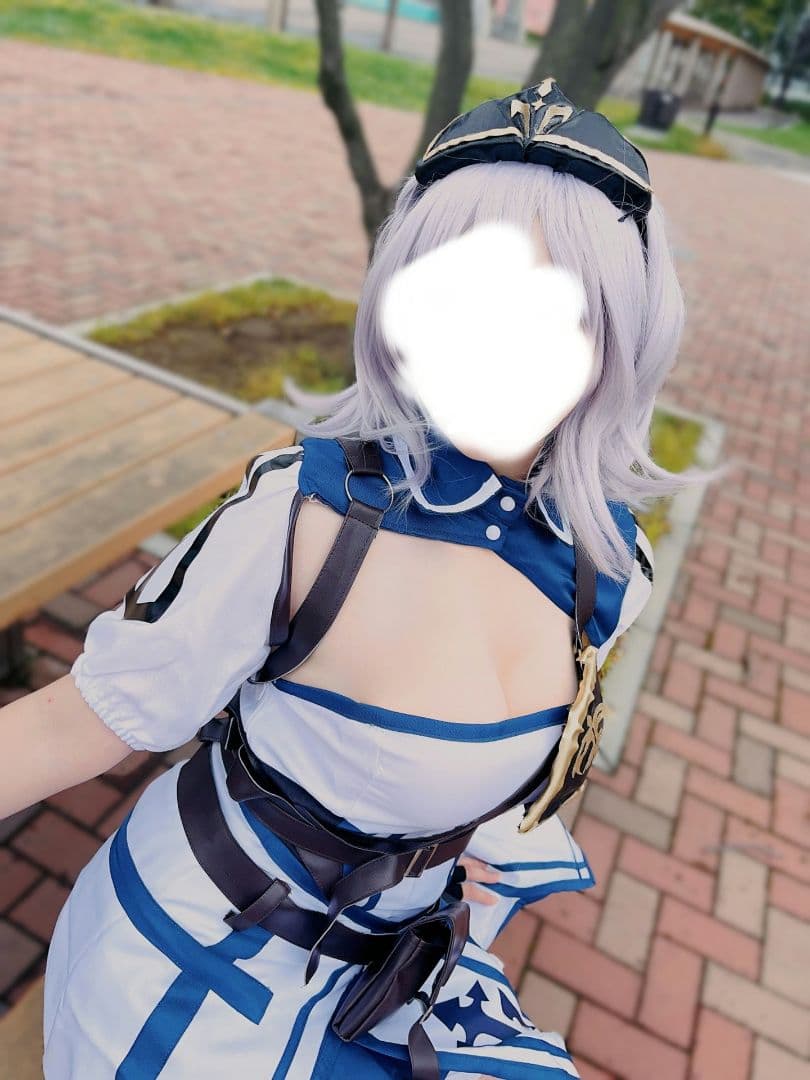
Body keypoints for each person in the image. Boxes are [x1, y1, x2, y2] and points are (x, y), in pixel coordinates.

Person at [0, 81, 725, 1079]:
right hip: (192, 975)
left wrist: (461, 854)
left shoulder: (612, 564)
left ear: (621, 331)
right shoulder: (306, 518)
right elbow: (66, 728)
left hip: (395, 981)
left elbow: (509, 792)